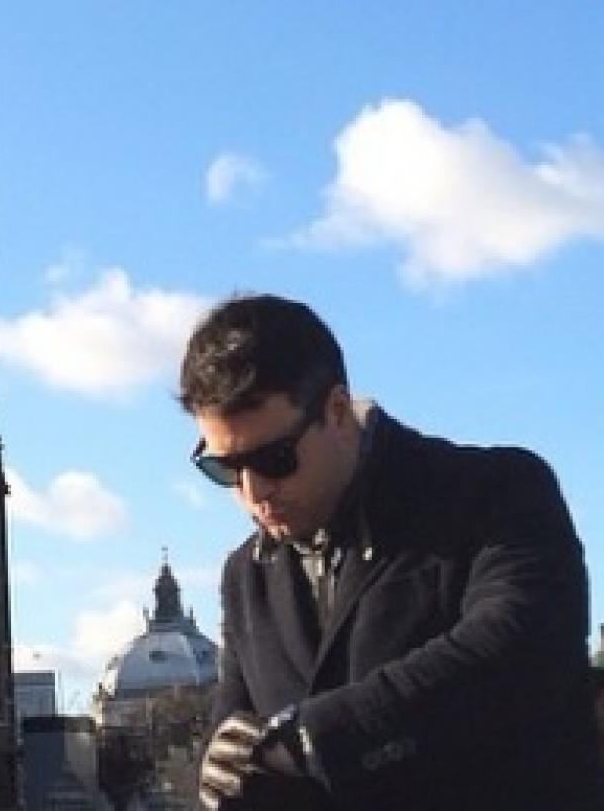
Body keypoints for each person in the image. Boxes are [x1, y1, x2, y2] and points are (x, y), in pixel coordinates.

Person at [178, 292, 600, 811]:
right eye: (223, 469)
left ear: (336, 411)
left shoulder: (494, 493)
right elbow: (240, 734)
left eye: (274, 459)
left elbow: (519, 651)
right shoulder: (246, 574)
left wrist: (313, 741)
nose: (253, 491)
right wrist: (221, 770)